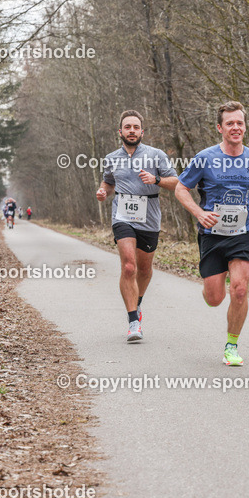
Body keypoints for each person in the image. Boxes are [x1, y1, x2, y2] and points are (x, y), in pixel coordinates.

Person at [175, 101, 249, 366]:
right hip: (211, 234)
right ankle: (213, 285)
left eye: (239, 123)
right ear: (220, 128)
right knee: (214, 298)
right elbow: (180, 189)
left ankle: (231, 345)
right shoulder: (204, 158)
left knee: (240, 290)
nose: (236, 127)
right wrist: (199, 213)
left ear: (245, 126)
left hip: (243, 232)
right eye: (230, 123)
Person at [96, 110, 179, 342]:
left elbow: (176, 182)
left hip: (149, 217)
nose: (131, 131)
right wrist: (103, 192)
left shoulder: (157, 155)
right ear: (120, 132)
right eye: (127, 127)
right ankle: (133, 321)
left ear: (142, 132)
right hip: (122, 216)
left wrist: (157, 180)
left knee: (144, 269)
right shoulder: (112, 157)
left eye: (135, 127)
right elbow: (108, 182)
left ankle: (137, 302)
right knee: (129, 267)